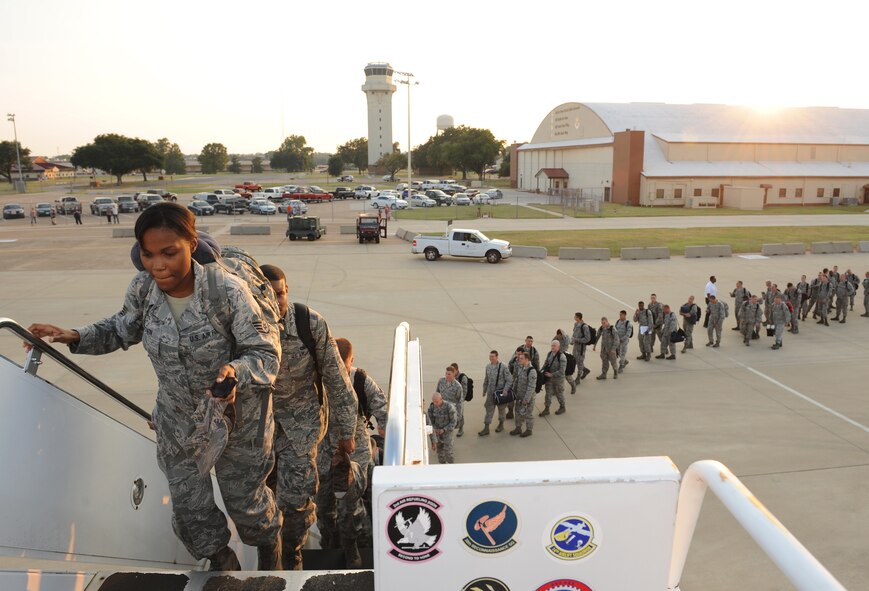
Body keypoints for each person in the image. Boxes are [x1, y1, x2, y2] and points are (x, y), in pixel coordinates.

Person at [27, 202, 282, 571]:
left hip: (237, 423)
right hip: (178, 421)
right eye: (147, 254)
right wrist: (73, 335)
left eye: (168, 253)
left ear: (191, 245)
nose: (157, 265)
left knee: (248, 508)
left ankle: (275, 557)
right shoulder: (143, 288)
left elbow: (265, 353)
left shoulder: (225, 291)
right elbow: (120, 329)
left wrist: (235, 371)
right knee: (190, 511)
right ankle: (224, 567)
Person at [260, 264, 358, 571]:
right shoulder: (243, 325)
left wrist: (346, 431)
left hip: (300, 430)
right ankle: (269, 557)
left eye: (281, 293)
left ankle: (291, 555)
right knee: (260, 505)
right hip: (258, 432)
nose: (276, 302)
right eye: (268, 295)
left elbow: (337, 379)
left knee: (296, 502)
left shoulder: (308, 323)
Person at [316, 337, 387, 568]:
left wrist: (385, 426)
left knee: (350, 508)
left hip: (354, 457)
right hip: (324, 456)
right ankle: (330, 541)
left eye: (342, 365)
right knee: (324, 507)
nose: (338, 370)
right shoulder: (318, 379)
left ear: (351, 361)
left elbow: (383, 409)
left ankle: (353, 548)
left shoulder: (360, 380)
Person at [478, 350, 512, 436]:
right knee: (489, 410)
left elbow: (509, 379)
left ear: (497, 357)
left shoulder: (503, 366)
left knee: (501, 410)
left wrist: (505, 389)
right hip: (491, 393)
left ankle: (501, 424)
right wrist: (484, 390)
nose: (491, 358)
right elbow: (486, 379)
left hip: (500, 393)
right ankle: (486, 428)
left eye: (493, 356)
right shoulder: (488, 367)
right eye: (490, 356)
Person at [510, 351, 536, 438]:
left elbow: (531, 387)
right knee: (517, 412)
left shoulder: (532, 371)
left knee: (527, 414)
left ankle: (529, 430)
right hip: (519, 396)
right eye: (519, 358)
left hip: (527, 398)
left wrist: (526, 399)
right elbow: (517, 380)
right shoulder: (521, 368)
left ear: (527, 359)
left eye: (521, 358)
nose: (519, 359)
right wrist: (513, 391)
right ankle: (518, 428)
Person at [539, 340, 567, 416]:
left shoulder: (562, 357)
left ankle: (562, 407)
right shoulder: (549, 354)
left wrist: (552, 374)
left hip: (558, 380)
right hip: (549, 379)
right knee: (548, 394)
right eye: (552, 345)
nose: (552, 347)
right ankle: (547, 409)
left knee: (559, 394)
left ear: (558, 347)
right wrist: (541, 372)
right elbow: (545, 364)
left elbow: (562, 371)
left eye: (554, 346)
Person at [427, 393, 457, 464]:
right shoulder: (431, 408)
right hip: (437, 432)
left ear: (441, 399)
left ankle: (451, 465)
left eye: (437, 402)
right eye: (434, 401)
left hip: (447, 432)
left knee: (448, 451)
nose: (435, 403)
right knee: (440, 451)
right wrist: (434, 430)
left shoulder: (449, 407)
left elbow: (454, 422)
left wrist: (444, 430)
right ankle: (442, 466)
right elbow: (430, 421)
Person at [437, 366, 465, 437]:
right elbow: (437, 393)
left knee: (448, 430)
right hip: (441, 409)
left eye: (449, 374)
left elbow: (460, 402)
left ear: (453, 374)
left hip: (451, 411)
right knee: (440, 428)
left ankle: (447, 444)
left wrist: (459, 415)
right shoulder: (441, 381)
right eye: (446, 373)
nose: (447, 375)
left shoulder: (458, 386)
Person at [569, 314, 592, 382]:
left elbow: (588, 339)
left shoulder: (584, 326)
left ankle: (578, 378)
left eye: (575, 316)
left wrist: (577, 340)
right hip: (575, 347)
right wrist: (572, 341)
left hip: (581, 348)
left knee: (580, 362)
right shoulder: (576, 324)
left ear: (578, 318)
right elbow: (574, 334)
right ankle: (585, 370)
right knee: (576, 361)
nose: (574, 317)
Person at [450, 362, 469, 436]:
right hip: (451, 399)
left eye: (453, 370)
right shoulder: (451, 376)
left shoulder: (462, 377)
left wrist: (461, 401)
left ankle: (461, 429)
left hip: (459, 401)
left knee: (460, 415)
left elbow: (464, 390)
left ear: (457, 370)